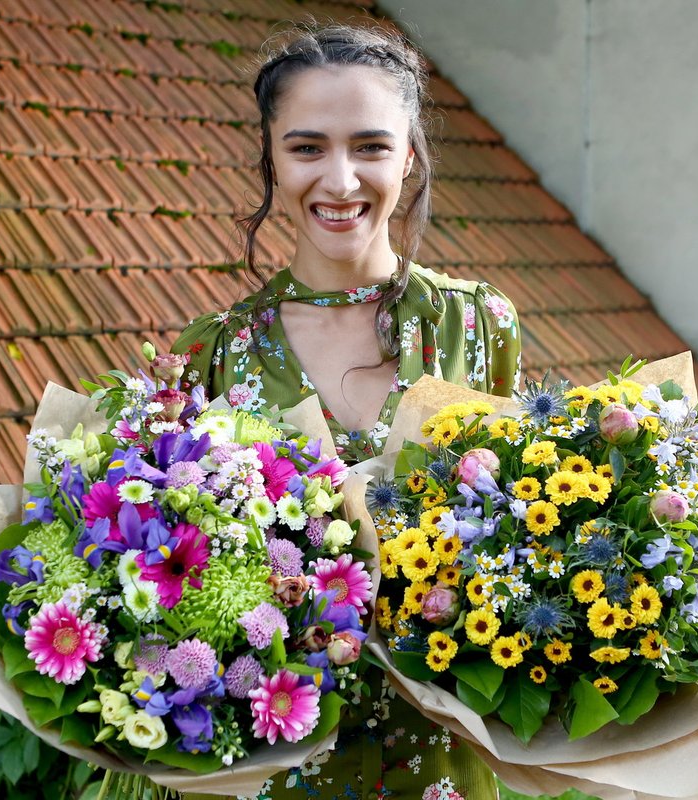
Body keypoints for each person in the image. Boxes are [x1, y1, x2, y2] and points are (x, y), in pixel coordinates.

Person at [171, 23, 521, 800]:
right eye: (307, 148)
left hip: (441, 758)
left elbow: (521, 531)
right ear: (270, 159)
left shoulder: (475, 324)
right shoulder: (217, 353)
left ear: (409, 156)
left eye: (369, 146)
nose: (340, 180)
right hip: (274, 761)